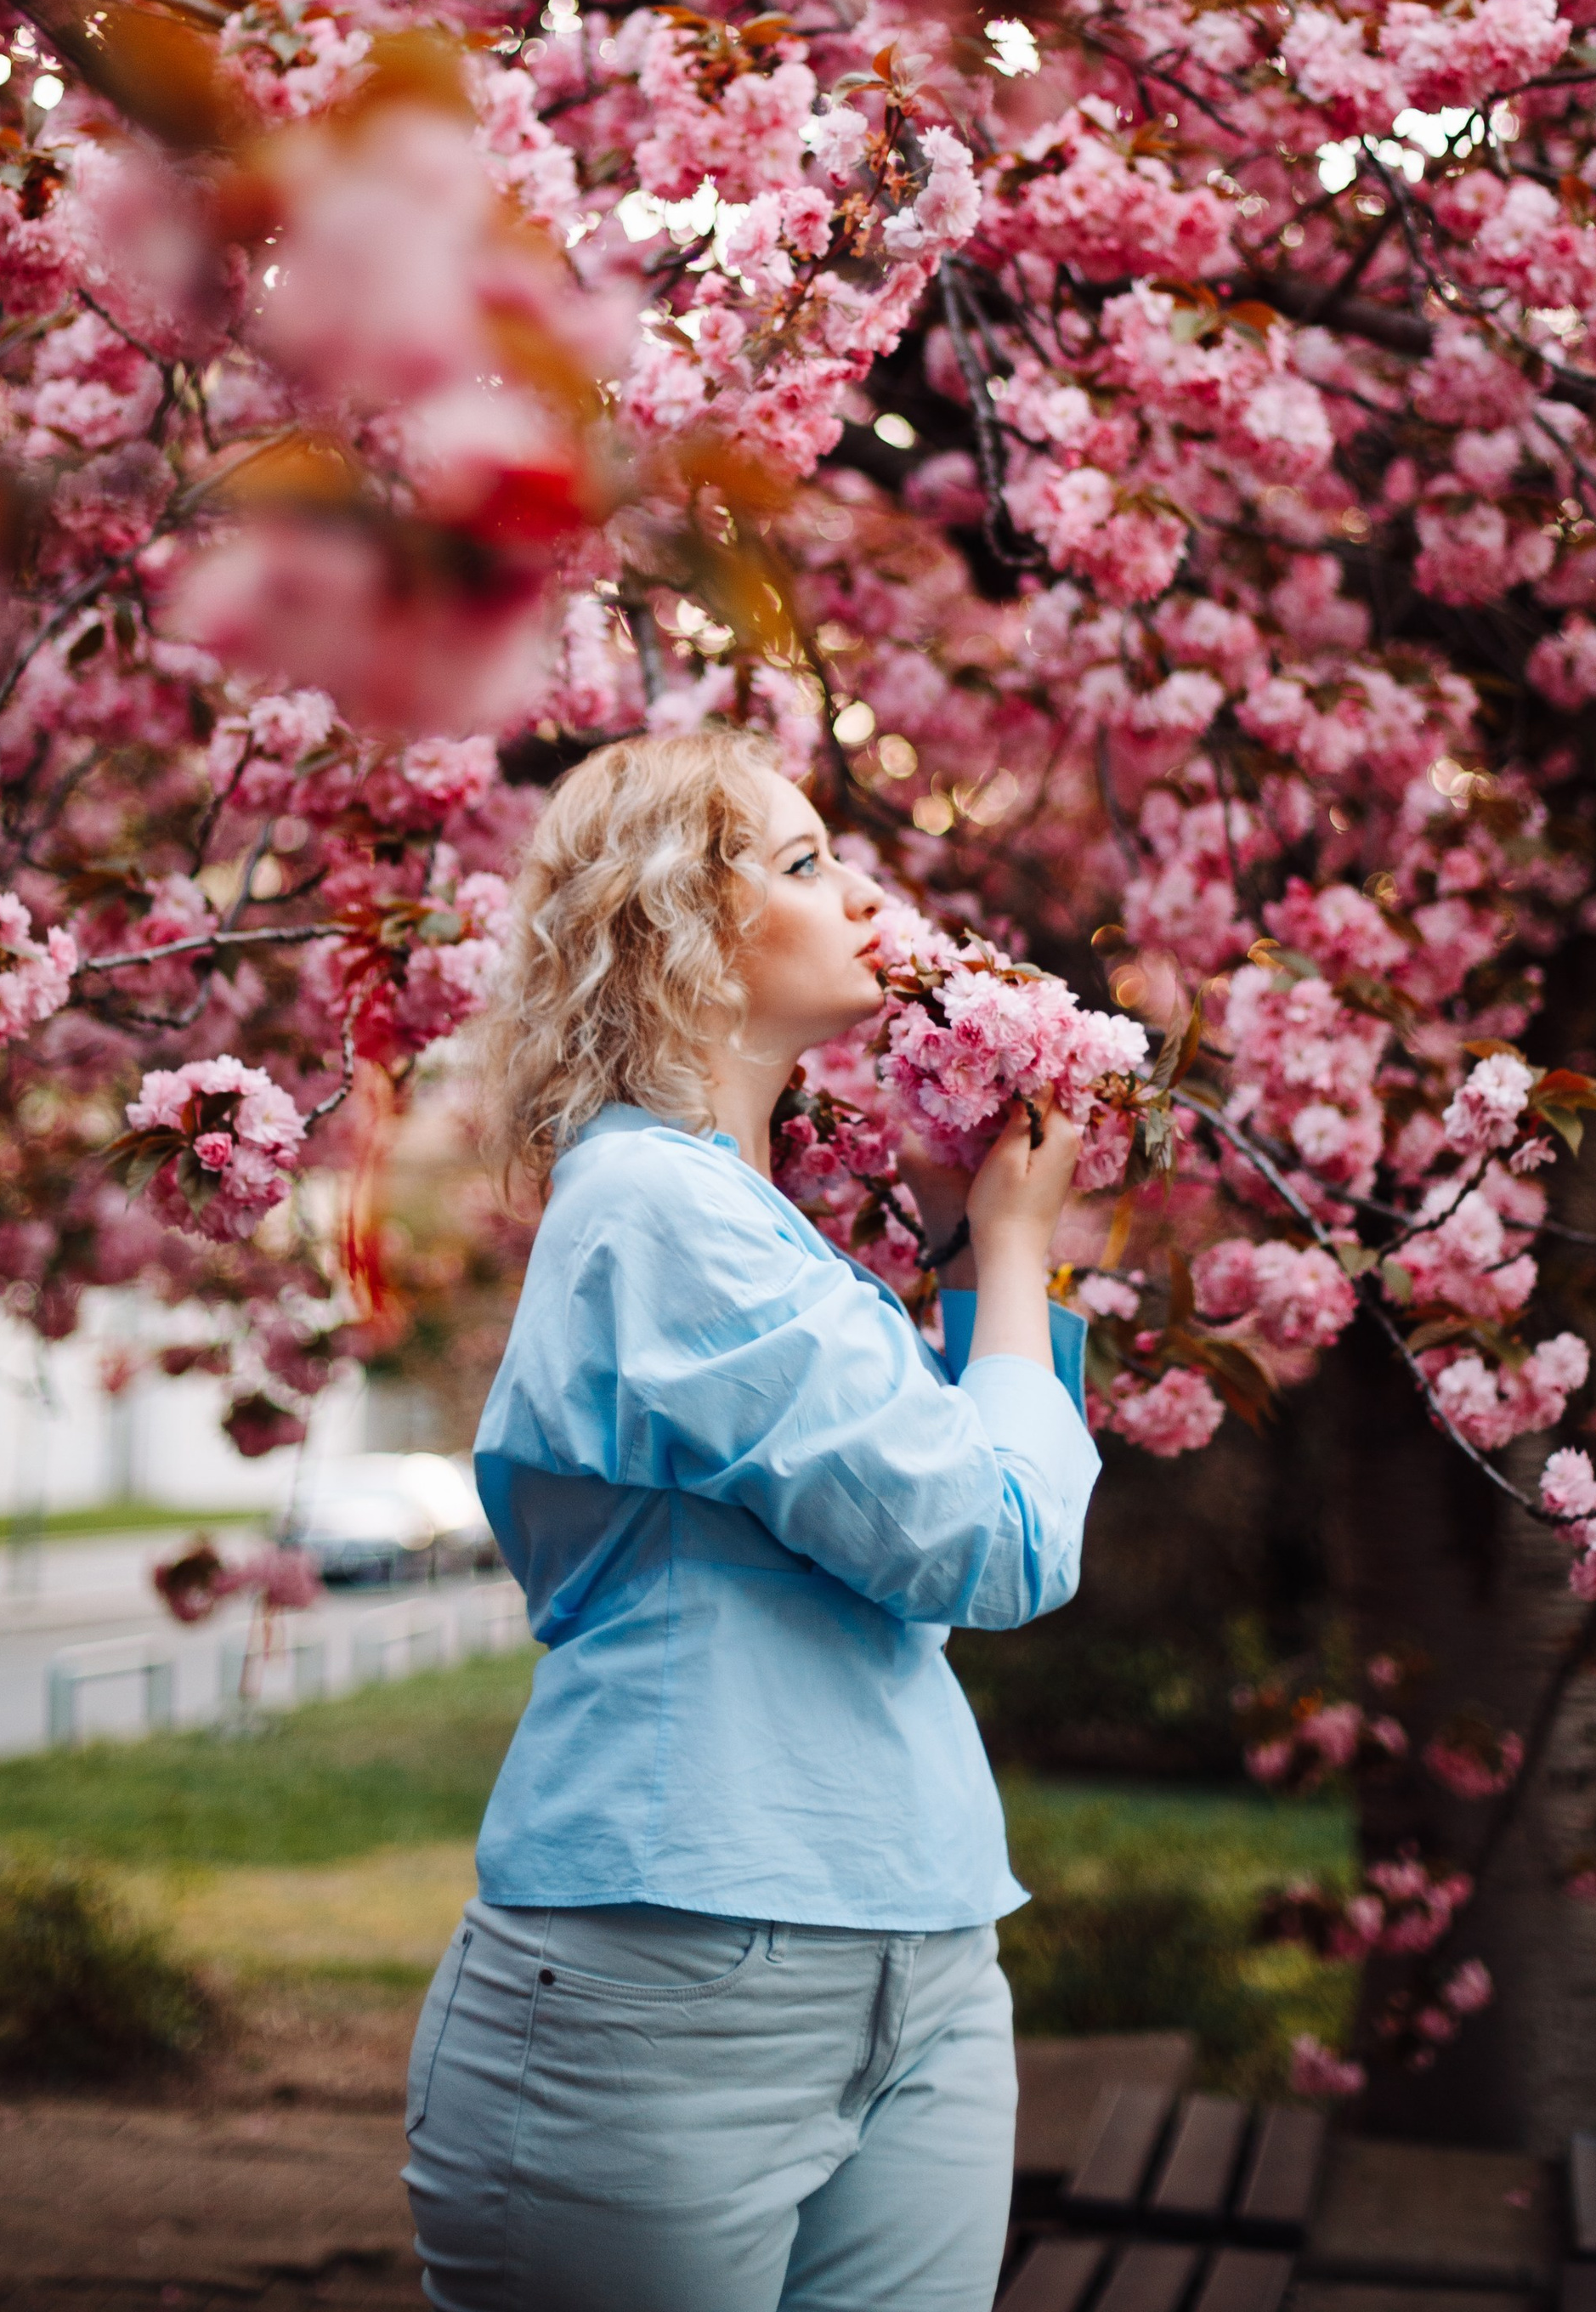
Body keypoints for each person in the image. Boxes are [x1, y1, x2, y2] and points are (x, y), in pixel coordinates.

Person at [402, 728, 1101, 2312]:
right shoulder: (656, 1213)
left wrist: (966, 1257)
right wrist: (1011, 1262)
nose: (862, 893)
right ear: (676, 938)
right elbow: (991, 1545)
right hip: (669, 1973)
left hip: (916, 1949)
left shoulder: (750, 1228)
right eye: (799, 864)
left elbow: (933, 1497)